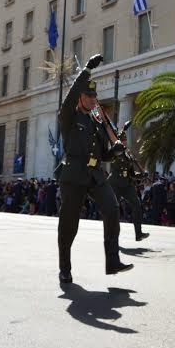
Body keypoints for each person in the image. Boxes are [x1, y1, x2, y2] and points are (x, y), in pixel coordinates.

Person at [56, 54, 132, 285]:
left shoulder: (96, 122)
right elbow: (69, 98)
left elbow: (102, 155)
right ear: (80, 97)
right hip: (73, 175)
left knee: (112, 209)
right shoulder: (69, 117)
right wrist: (87, 69)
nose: (93, 99)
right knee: (69, 224)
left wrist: (115, 151)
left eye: (94, 96)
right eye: (88, 95)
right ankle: (65, 268)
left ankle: (113, 260)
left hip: (95, 175)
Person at [108, 126, 149, 241]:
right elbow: (113, 153)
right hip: (115, 185)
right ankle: (112, 235)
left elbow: (131, 173)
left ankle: (138, 233)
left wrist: (141, 175)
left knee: (137, 205)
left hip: (126, 185)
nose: (125, 142)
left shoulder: (128, 155)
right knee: (113, 210)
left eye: (126, 140)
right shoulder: (116, 151)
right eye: (123, 140)